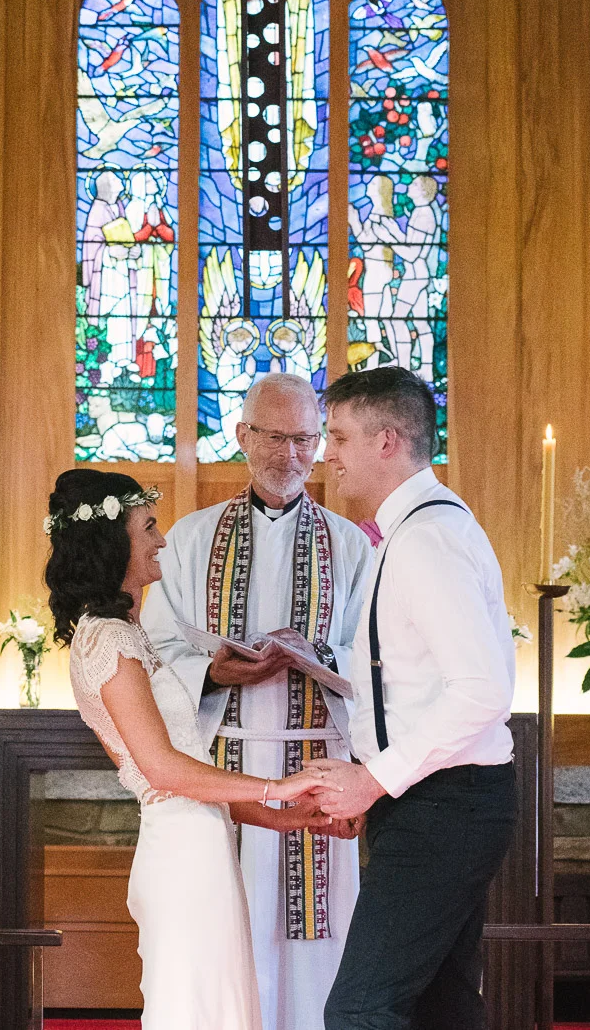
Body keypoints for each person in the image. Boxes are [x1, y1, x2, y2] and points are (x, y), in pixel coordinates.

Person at [45, 466, 327, 1030]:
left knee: (219, 1008)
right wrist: (277, 785)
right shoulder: (110, 640)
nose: (161, 540)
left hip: (198, 842)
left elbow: (184, 778)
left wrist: (286, 819)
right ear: (113, 543)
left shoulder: (124, 633)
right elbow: (162, 770)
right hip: (182, 857)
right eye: (147, 527)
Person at [142, 374, 373, 1030]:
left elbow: (372, 656)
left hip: (318, 774)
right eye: (275, 437)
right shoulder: (189, 540)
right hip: (224, 770)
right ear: (242, 435)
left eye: (305, 439)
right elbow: (155, 649)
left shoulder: (349, 545)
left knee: (314, 948)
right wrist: (212, 672)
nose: (291, 455)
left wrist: (319, 660)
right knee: (228, 939)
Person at [308, 366, 517, 1030]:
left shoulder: (426, 537)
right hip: (434, 798)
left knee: (359, 1008)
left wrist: (372, 779)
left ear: (387, 441)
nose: (327, 455)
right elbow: (405, 683)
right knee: (441, 1006)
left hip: (447, 802)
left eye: (338, 437)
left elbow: (482, 690)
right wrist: (371, 781)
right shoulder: (412, 530)